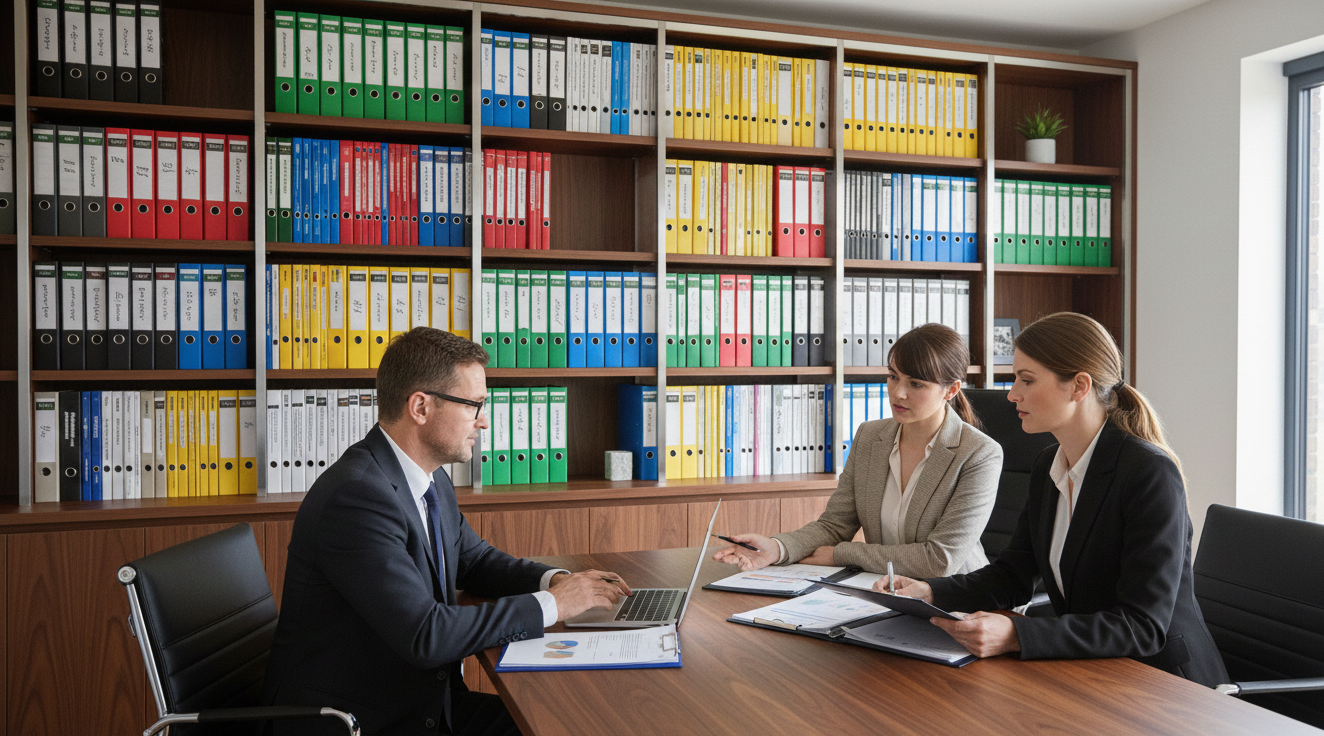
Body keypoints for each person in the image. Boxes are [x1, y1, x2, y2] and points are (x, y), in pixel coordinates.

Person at [263, 327, 632, 735]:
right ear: (420, 407)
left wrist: (556, 580)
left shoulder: (427, 478)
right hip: (362, 721)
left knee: (566, 722)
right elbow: (426, 634)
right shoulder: (356, 497)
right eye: (474, 405)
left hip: (423, 704)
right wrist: (553, 605)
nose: (484, 422)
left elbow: (473, 560)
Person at [880, 312, 1229, 688]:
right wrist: (931, 591)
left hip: (1166, 686)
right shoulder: (1050, 463)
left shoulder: (1148, 473)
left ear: (1079, 386)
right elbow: (1014, 574)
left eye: (1026, 380)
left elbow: (1142, 627)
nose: (1012, 393)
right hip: (1089, 671)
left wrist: (1018, 634)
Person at [713, 323, 1002, 578]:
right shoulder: (870, 436)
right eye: (893, 376)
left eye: (916, 383)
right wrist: (776, 548)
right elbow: (834, 526)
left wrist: (843, 555)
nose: (898, 393)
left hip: (960, 601)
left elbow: (939, 560)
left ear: (951, 390)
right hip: (886, 590)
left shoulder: (978, 454)